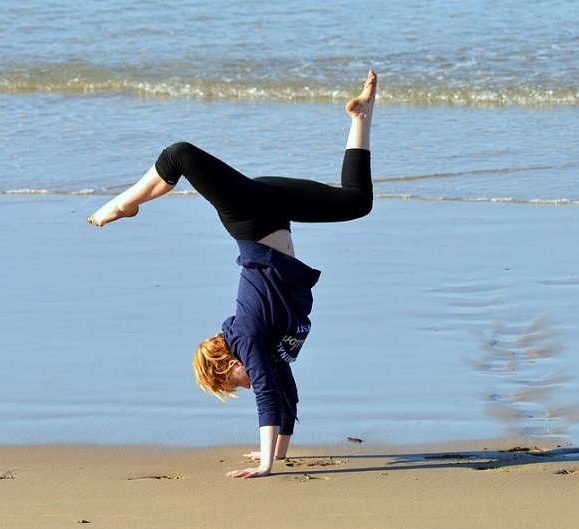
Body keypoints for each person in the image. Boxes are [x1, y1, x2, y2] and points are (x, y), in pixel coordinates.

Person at [88, 70, 377, 478]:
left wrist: (264, 465)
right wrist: (277, 454)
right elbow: (284, 396)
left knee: (181, 155)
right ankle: (361, 118)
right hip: (274, 208)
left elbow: (264, 395)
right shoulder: (270, 351)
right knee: (357, 202)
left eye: (232, 384)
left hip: (251, 220)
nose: (243, 385)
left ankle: (123, 204)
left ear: (227, 364)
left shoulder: (247, 338)